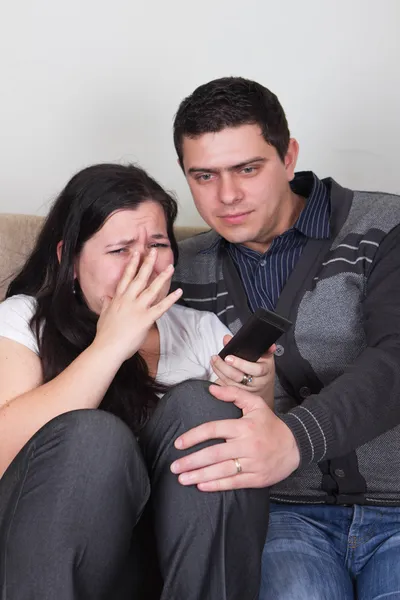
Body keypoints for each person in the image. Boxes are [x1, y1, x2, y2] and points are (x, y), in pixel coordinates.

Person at [170, 76, 400, 600]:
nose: (226, 196)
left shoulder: (385, 225)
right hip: (283, 517)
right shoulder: (182, 267)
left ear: (289, 155)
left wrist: (294, 441)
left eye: (247, 169)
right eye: (203, 176)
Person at [0, 163, 274, 600]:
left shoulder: (203, 332)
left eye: (159, 244)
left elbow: (253, 461)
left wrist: (259, 390)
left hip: (169, 559)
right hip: (46, 552)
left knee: (206, 407)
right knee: (93, 436)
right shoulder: (23, 319)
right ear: (69, 261)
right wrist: (110, 346)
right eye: (120, 249)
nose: (144, 263)